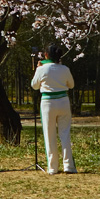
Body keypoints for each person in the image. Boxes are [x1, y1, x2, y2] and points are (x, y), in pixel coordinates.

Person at [31, 44, 76, 174]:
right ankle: (69, 166)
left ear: (46, 55)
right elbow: (71, 85)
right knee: (65, 134)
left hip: (48, 102)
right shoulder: (65, 69)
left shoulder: (42, 69)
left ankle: (53, 167)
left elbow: (34, 86)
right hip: (63, 101)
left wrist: (38, 69)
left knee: (49, 134)